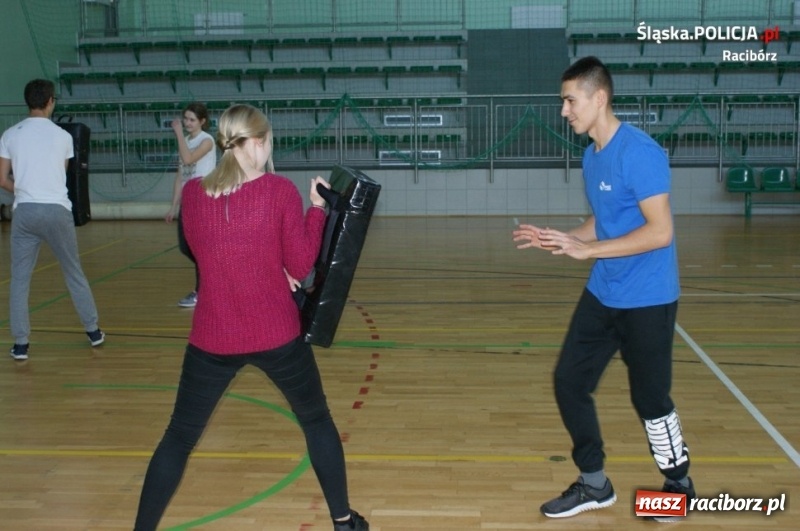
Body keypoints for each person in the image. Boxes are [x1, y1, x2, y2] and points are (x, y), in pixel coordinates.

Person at [133, 104, 368, 531]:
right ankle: (343, 521)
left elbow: (199, 250)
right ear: (258, 143)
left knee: (177, 439)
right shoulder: (278, 192)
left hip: (211, 339)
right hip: (276, 334)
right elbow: (300, 266)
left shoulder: (192, 195)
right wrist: (316, 210)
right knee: (316, 421)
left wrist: (263, 260)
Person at [513, 56, 693, 521]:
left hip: (649, 297)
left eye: (570, 101)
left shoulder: (640, 153)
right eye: (563, 102)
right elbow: (605, 222)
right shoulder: (590, 156)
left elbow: (660, 232)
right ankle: (594, 482)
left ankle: (679, 483)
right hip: (604, 292)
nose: (564, 111)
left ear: (599, 98)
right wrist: (566, 237)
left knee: (650, 399)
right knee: (569, 381)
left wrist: (586, 251)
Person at [0, 79, 105, 361]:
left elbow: (2, 179)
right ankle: (93, 331)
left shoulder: (10, 134)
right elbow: (63, 172)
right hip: (57, 211)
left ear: (28, 101)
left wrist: (21, 189)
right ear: (50, 101)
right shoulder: (63, 136)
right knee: (73, 271)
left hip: (25, 212)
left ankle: (21, 344)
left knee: (20, 279)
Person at [164, 102, 216, 308]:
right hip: (188, 201)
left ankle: (200, 291)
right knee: (186, 247)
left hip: (202, 200)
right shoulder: (185, 140)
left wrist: (176, 132)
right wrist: (174, 206)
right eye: (185, 119)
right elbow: (181, 176)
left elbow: (188, 159)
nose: (187, 123)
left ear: (202, 121)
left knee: (198, 246)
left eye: (192, 119)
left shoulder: (207, 141)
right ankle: (213, 272)